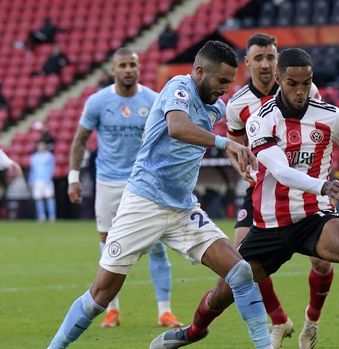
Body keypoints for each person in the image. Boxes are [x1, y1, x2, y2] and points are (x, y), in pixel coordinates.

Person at [150, 48, 339, 349]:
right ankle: (193, 332)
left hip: (313, 217)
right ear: (280, 80)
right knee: (225, 291)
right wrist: (321, 186)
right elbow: (281, 172)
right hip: (271, 224)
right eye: (292, 83)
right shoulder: (260, 121)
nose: (299, 91)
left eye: (306, 84)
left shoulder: (331, 116)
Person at [48, 42, 274, 349]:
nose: (224, 89)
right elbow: (177, 127)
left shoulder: (216, 107)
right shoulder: (178, 87)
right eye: (221, 81)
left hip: (182, 209)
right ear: (199, 72)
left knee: (241, 271)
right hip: (143, 203)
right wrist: (225, 144)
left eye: (229, 82)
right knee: (100, 296)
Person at [224, 33, 339, 349]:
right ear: (247, 62)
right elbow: (234, 142)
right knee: (242, 259)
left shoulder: (304, 88)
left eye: (270, 57)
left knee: (321, 262)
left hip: (306, 186)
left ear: (278, 63)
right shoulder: (237, 105)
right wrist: (238, 160)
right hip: (261, 189)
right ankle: (279, 321)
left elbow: (328, 123)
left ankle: (312, 322)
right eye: (259, 58)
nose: (265, 64)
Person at [67, 47, 181, 328]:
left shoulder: (153, 100)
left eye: (133, 64)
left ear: (139, 68)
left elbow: (169, 140)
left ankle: (164, 311)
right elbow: (80, 138)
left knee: (155, 245)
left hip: (143, 182)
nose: (128, 69)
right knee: (108, 246)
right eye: (123, 65)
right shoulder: (98, 101)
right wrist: (73, 177)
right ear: (113, 70)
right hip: (108, 182)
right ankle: (111, 310)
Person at [29, 141, 56, 222]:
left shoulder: (49, 156)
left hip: (47, 180)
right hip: (37, 180)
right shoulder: (34, 157)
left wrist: (49, 178)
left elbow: (52, 168)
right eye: (39, 145)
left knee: (49, 197)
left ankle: (52, 216)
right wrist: (31, 181)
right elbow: (32, 170)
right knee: (38, 198)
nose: (40, 147)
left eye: (42, 145)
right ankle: (41, 216)